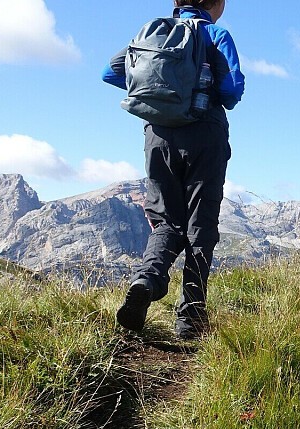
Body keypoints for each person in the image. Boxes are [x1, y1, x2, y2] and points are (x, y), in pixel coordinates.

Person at [103, 0, 245, 339]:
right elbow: (232, 90)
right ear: (217, 4)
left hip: (158, 137)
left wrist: (162, 95)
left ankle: (147, 280)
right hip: (205, 134)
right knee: (202, 226)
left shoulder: (154, 32)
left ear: (175, 3)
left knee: (166, 221)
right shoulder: (215, 33)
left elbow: (110, 72)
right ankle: (190, 319)